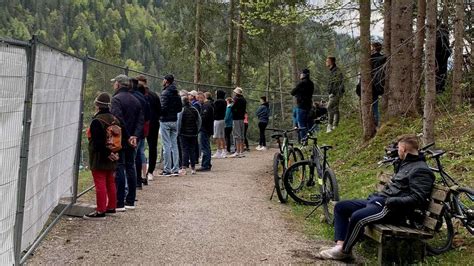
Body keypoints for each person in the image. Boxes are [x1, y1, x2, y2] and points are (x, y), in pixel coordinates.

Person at [318, 134, 435, 261]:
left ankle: (345, 252)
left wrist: (390, 201)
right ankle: (340, 247)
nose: (397, 151)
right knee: (341, 207)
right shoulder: (405, 164)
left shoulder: (421, 170)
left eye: (399, 148)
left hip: (392, 209)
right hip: (379, 201)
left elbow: (418, 199)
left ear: (404, 149)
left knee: (358, 217)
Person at [84, 92, 123, 219]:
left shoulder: (97, 121)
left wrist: (107, 153)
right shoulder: (114, 119)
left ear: (97, 105)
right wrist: (113, 153)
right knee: (110, 182)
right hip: (113, 153)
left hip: (100, 156)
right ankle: (111, 206)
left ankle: (100, 210)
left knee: (100, 182)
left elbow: (98, 143)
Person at [110, 74, 143, 211]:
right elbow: (141, 120)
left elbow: (118, 119)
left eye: (115, 83)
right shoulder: (136, 100)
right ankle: (131, 201)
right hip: (133, 140)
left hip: (121, 138)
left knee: (120, 167)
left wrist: (128, 135)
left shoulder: (116, 99)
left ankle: (119, 201)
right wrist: (135, 136)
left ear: (118, 84)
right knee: (131, 166)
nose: (114, 85)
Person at [136, 75, 161, 182]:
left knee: (147, 148)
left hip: (148, 125)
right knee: (146, 149)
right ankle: (146, 172)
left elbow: (159, 110)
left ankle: (148, 172)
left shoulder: (149, 96)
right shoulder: (154, 95)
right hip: (150, 124)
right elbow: (160, 111)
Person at [356, 42, 386, 127]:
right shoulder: (382, 58)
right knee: (375, 106)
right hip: (378, 86)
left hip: (371, 85)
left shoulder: (370, 59)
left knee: (370, 106)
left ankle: (372, 124)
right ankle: (376, 124)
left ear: (373, 48)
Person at [159, 74, 182, 176]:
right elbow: (179, 108)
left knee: (166, 145)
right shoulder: (176, 93)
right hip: (174, 120)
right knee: (175, 145)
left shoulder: (165, 93)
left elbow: (162, 108)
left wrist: (159, 114)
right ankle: (176, 168)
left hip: (165, 121)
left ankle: (167, 168)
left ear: (166, 81)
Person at [130, 78, 150, 190]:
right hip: (141, 131)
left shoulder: (132, 97)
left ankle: (132, 183)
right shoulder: (144, 98)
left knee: (131, 157)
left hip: (132, 132)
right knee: (139, 155)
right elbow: (147, 116)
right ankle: (139, 181)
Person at [177, 95, 201, 175]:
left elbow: (179, 122)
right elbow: (199, 121)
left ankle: (184, 168)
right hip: (194, 134)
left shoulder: (182, 110)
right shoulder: (195, 109)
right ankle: (193, 168)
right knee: (192, 150)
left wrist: (178, 132)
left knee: (184, 150)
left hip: (184, 133)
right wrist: (197, 130)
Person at [291, 68, 314, 139]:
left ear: (304, 75)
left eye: (301, 73)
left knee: (301, 125)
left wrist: (298, 93)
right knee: (309, 124)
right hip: (309, 106)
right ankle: (311, 140)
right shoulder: (311, 83)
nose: (300, 75)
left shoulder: (302, 83)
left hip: (301, 106)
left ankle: (304, 141)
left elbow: (292, 92)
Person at [326, 57, 345, 133]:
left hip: (336, 93)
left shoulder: (337, 71)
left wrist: (332, 93)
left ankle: (329, 125)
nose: (326, 62)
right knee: (335, 108)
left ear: (331, 62)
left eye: (327, 61)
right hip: (334, 93)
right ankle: (335, 125)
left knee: (329, 107)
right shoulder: (332, 71)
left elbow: (337, 83)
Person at [197, 91, 215, 171]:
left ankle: (205, 165)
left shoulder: (206, 106)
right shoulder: (206, 105)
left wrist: (198, 119)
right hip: (206, 129)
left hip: (205, 129)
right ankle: (206, 164)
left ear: (202, 97)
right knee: (206, 146)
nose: (198, 101)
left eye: (198, 99)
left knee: (205, 147)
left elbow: (204, 118)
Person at [229, 87, 247, 157]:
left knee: (237, 135)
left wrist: (232, 107)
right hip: (242, 118)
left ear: (236, 93)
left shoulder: (236, 99)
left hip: (236, 118)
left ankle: (237, 151)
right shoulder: (244, 99)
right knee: (242, 135)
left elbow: (233, 108)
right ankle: (241, 152)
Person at [212, 90, 227, 158]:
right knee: (222, 136)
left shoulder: (217, 102)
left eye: (216, 94)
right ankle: (224, 150)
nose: (215, 95)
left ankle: (219, 151)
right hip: (222, 119)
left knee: (217, 136)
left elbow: (214, 110)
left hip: (217, 120)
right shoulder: (224, 101)